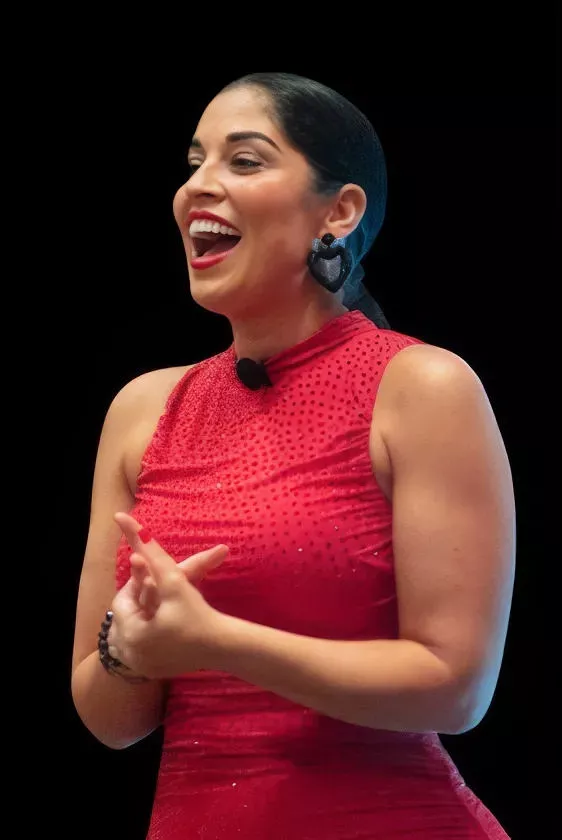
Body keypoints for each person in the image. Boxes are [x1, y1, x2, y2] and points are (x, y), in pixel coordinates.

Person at [71, 73, 516, 838]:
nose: (197, 187)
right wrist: (132, 646)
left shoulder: (420, 386)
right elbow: (112, 720)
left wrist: (218, 643)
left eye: (244, 161)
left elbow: (455, 689)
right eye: (193, 160)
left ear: (337, 212)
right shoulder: (144, 410)